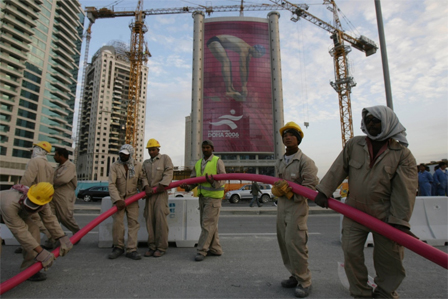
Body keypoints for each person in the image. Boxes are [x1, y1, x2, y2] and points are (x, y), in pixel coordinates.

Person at [314, 105, 418, 299]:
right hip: (355, 210)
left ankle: (385, 292)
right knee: (351, 253)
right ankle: (361, 292)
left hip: (385, 214)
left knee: (390, 259)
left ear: (387, 122)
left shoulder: (402, 154)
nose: (371, 124)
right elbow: (338, 168)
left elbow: (405, 191)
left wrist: (400, 221)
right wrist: (324, 191)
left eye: (375, 120)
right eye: (368, 120)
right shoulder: (354, 145)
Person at [271, 121, 318, 298]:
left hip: (297, 207)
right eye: (285, 135)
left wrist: (291, 194)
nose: (288, 137)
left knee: (296, 243)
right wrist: (276, 190)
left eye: (292, 135)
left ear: (298, 139)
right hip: (282, 207)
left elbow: (310, 188)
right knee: (284, 242)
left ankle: (305, 281)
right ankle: (294, 274)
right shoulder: (280, 161)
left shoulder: (306, 162)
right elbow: (276, 182)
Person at [0, 182, 73, 281]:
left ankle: (29, 270)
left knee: (33, 229)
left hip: (16, 213)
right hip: (7, 210)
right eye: (30, 203)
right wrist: (41, 253)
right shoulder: (9, 203)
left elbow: (49, 219)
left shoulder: (43, 200)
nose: (30, 207)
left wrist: (62, 237)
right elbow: (20, 231)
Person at [180, 140, 226, 262]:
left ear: (212, 148)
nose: (205, 149)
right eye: (203, 147)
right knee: (209, 225)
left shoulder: (217, 161)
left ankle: (202, 250)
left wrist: (213, 182)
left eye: (208, 147)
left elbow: (223, 178)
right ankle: (215, 249)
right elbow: (194, 180)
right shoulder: (199, 163)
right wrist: (188, 187)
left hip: (213, 198)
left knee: (207, 225)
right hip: (202, 197)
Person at [108, 144, 148, 260]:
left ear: (130, 155)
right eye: (121, 153)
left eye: (125, 154)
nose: (123, 156)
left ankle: (131, 249)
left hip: (132, 198)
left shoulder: (137, 166)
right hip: (119, 199)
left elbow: (142, 179)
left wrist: (145, 187)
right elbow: (111, 184)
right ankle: (118, 247)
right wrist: (117, 200)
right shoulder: (115, 166)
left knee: (133, 224)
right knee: (117, 224)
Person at [19, 141, 54, 251]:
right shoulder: (49, 165)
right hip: (44, 196)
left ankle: (31, 245)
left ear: (39, 150)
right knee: (45, 219)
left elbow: (27, 179)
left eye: (34, 148)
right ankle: (53, 237)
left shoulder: (34, 162)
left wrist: (20, 191)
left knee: (32, 220)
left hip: (32, 196)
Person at [207, 35, 266, 101]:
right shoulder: (245, 49)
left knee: (227, 62)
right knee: (226, 61)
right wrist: (243, 86)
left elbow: (246, 69)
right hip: (215, 41)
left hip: (218, 42)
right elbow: (242, 67)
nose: (257, 57)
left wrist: (245, 85)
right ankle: (229, 90)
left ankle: (231, 89)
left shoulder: (249, 54)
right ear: (256, 51)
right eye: (258, 55)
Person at [142, 139, 174, 258]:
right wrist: (145, 186)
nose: (151, 152)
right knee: (149, 221)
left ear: (158, 149)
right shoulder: (145, 163)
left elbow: (169, 172)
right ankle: (152, 246)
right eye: (149, 150)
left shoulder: (165, 159)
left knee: (160, 221)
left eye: (153, 149)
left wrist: (162, 185)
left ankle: (161, 247)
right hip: (149, 195)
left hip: (160, 193)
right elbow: (143, 176)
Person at [51, 147, 80, 237]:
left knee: (65, 217)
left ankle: (77, 233)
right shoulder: (59, 167)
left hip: (65, 195)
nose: (54, 157)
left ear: (62, 156)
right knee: (52, 218)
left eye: (56, 155)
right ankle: (54, 239)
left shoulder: (70, 166)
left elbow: (63, 179)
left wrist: (51, 182)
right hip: (54, 195)